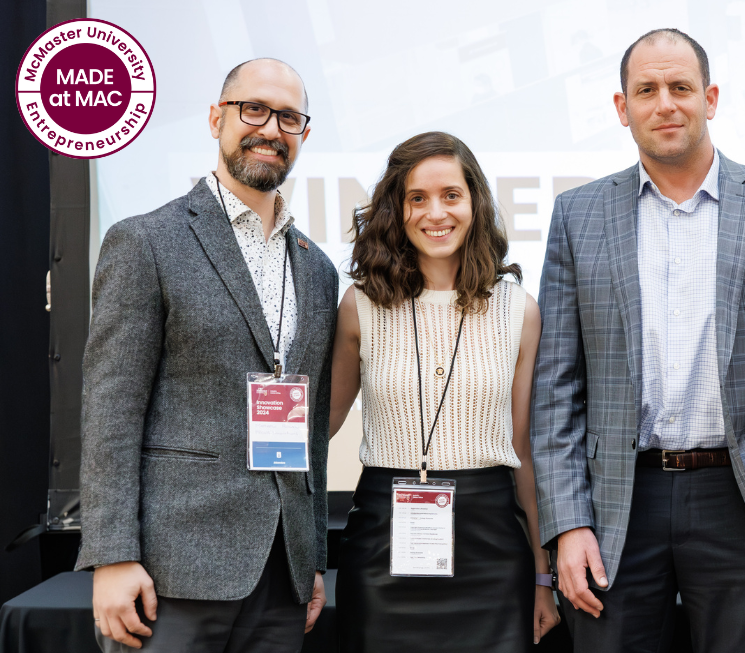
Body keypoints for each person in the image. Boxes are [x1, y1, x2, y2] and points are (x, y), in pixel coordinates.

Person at [532, 28, 745, 652]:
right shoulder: (578, 214)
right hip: (618, 500)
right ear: (622, 108)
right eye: (646, 90)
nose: (664, 104)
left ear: (711, 97)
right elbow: (556, 385)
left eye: (680, 87)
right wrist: (568, 523)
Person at [77, 58, 337, 652]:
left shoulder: (318, 268)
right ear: (217, 117)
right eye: (255, 109)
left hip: (282, 574)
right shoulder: (146, 240)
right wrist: (112, 556)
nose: (271, 128)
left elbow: (312, 425)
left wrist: (313, 557)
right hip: (169, 573)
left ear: (303, 134)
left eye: (289, 117)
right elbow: (111, 410)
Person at [327, 131, 560, 652]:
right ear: (397, 209)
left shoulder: (517, 308)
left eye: (451, 195)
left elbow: (525, 452)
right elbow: (320, 426)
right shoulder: (359, 305)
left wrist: (543, 578)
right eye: (418, 198)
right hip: (383, 543)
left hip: (492, 549)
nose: (437, 213)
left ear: (474, 202)